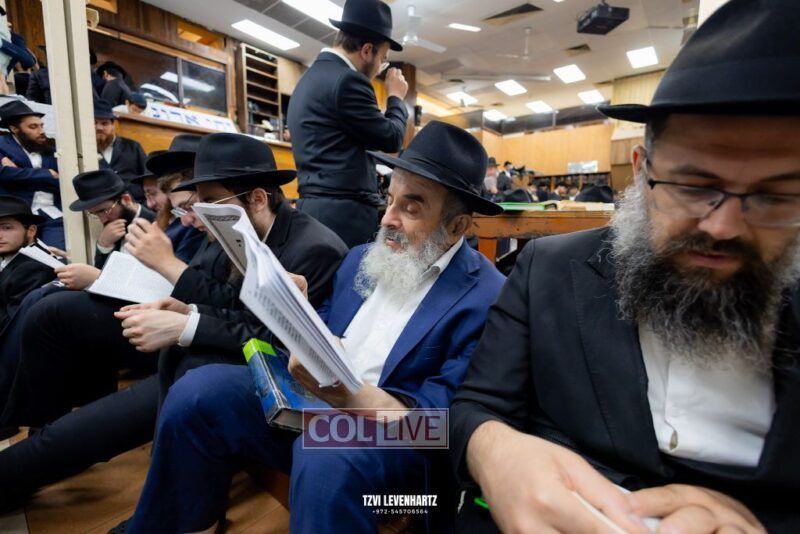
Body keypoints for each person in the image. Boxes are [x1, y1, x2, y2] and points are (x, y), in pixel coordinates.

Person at [450, 2, 800, 532]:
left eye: (774, 197)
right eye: (694, 186)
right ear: (640, 171)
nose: (724, 226)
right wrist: (493, 452)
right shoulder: (547, 270)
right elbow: (472, 408)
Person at [115, 121, 505, 534]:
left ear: (457, 226)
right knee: (198, 390)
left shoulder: (487, 299)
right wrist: (297, 310)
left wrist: (349, 397)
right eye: (389, 199)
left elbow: (438, 429)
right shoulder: (361, 259)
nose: (388, 219)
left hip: (403, 466)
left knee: (326, 454)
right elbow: (327, 338)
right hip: (314, 409)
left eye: (411, 208)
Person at [0, 133, 348, 510]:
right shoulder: (237, 227)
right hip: (201, 350)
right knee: (57, 315)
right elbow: (231, 304)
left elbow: (275, 338)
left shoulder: (313, 248)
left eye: (207, 203)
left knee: (112, 417)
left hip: (242, 371)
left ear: (258, 198)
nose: (198, 216)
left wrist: (187, 323)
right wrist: (186, 312)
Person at [288, 0, 409, 248]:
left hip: (314, 208)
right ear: (367, 50)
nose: (380, 68)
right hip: (343, 216)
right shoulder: (348, 81)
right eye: (382, 58)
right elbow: (392, 138)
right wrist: (396, 97)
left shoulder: (310, 78)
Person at [0, 195, 56, 439]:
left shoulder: (32, 265)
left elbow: (14, 326)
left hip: (20, 356)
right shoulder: (12, 258)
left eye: (7, 228)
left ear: (31, 231)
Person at [0, 100, 62, 248]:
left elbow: (62, 180)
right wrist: (47, 174)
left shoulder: (50, 149)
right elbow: (4, 174)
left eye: (41, 126)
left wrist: (18, 173)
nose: (41, 131)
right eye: (33, 127)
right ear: (14, 129)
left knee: (57, 253)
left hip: (52, 215)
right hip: (17, 216)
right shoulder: (2, 145)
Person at [94, 98, 147, 200]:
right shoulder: (86, 151)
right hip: (104, 204)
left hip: (136, 201)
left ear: (113, 125)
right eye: (95, 123)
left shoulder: (133, 147)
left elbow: (147, 175)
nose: (99, 128)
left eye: (104, 123)